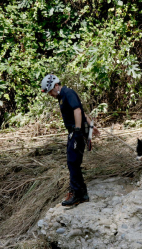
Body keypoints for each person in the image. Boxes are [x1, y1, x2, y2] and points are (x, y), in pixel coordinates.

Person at [41, 74, 100, 206]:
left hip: (76, 132)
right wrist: (91, 126)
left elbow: (78, 111)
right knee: (73, 162)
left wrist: (78, 131)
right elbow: (82, 112)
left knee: (72, 162)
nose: (50, 94)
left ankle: (77, 193)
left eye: (50, 90)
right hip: (74, 132)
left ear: (56, 85)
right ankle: (82, 193)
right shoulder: (62, 97)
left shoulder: (68, 93)